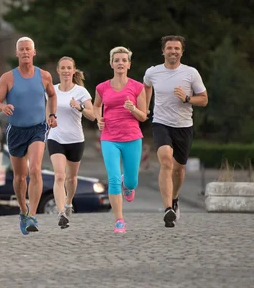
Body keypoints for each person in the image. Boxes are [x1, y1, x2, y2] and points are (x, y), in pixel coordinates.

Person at [0, 37, 57, 234]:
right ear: (17, 53)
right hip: (16, 131)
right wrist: (3, 106)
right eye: (22, 49)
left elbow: (52, 95)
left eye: (28, 49)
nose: (25, 52)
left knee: (35, 169)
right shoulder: (7, 78)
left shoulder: (44, 76)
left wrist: (52, 115)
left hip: (37, 128)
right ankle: (23, 210)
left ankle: (33, 217)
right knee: (20, 177)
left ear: (34, 52)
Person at [144, 35, 208, 227]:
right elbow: (146, 87)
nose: (173, 51)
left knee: (179, 169)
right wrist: (146, 107)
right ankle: (167, 209)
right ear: (163, 51)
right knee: (165, 160)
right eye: (169, 48)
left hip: (183, 126)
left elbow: (204, 99)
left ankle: (174, 198)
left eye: (177, 48)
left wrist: (188, 99)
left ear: (182, 51)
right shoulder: (153, 72)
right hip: (161, 123)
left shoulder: (191, 73)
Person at [94, 46, 148, 233]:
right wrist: (98, 118)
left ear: (129, 65)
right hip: (109, 138)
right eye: (116, 60)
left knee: (131, 181)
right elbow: (96, 106)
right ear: (111, 63)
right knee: (113, 179)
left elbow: (143, 116)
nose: (120, 63)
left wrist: (132, 108)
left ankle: (129, 184)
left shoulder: (137, 87)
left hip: (132, 137)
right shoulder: (102, 87)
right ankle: (119, 221)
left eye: (124, 60)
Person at [46, 56, 96, 229]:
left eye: (69, 68)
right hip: (56, 137)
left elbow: (93, 115)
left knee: (71, 177)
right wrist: (49, 120)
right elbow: (47, 111)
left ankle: (68, 204)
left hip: (75, 139)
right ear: (58, 71)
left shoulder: (81, 92)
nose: (66, 71)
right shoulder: (52, 90)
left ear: (74, 70)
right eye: (63, 68)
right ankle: (61, 213)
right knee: (59, 175)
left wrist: (79, 107)